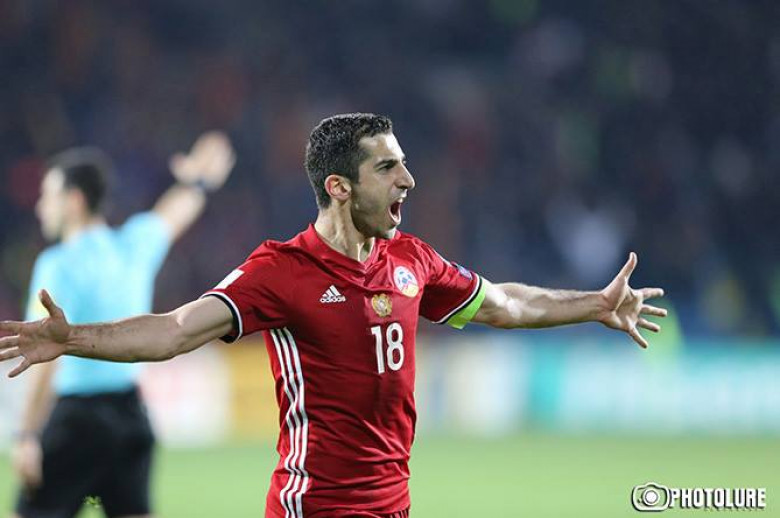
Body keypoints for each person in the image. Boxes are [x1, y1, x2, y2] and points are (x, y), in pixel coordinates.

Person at [0, 113, 666, 518]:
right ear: (339, 187)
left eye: (404, 165)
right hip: (313, 507)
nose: (408, 181)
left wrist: (595, 304)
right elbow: (175, 330)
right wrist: (71, 338)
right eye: (388, 168)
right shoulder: (279, 271)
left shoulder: (412, 260)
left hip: (393, 506)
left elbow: (503, 303)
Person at [7, 133, 236, 518]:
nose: (41, 206)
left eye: (49, 195)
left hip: (76, 421)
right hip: (131, 415)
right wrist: (198, 181)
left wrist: (27, 434)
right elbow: (174, 213)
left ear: (74, 200)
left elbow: (43, 355)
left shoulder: (57, 265)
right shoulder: (134, 244)